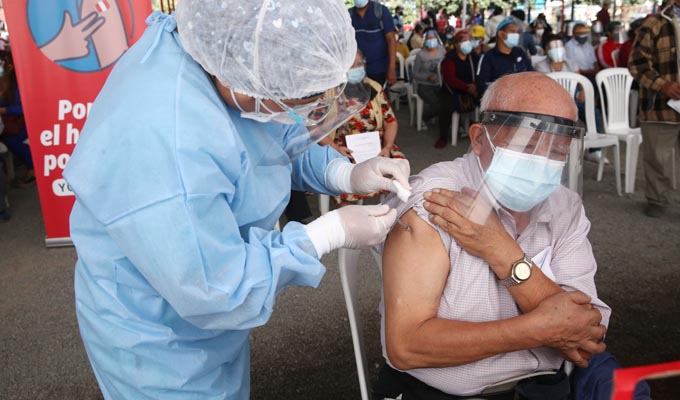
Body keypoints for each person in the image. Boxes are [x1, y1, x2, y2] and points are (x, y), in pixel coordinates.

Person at [62, 1, 412, 399]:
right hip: (157, 337)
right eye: (300, 97)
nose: (303, 112)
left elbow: (274, 132)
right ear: (247, 83)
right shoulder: (167, 139)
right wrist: (327, 233)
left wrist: (344, 173)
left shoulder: (227, 54)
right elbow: (215, 288)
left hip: (205, 313)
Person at [373, 72, 651, 400]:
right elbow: (406, 346)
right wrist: (534, 331)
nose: (542, 162)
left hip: (545, 387)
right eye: (527, 145)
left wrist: (502, 250)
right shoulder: (435, 203)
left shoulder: (565, 207)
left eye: (557, 150)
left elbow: (588, 332)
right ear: (479, 138)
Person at [324, 52, 405, 205]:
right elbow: (315, 129)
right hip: (343, 148)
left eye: (359, 64)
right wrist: (334, 147)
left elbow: (390, 121)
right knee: (344, 178)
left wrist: (387, 147)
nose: (357, 68)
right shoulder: (330, 93)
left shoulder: (374, 87)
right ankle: (347, 213)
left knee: (397, 168)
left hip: (376, 145)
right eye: (351, 65)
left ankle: (388, 209)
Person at [629, 0, 680, 218]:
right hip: (660, 106)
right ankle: (657, 199)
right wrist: (663, 85)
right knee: (657, 156)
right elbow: (637, 64)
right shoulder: (655, 24)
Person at [436, 31, 479, 149]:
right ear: (456, 44)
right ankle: (443, 137)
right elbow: (450, 79)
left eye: (469, 40)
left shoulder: (473, 57)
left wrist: (475, 86)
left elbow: (479, 73)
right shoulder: (450, 59)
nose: (468, 43)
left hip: (472, 89)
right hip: (453, 91)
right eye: (464, 40)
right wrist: (466, 87)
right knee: (445, 106)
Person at [477, 18, 533, 97]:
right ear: (501, 34)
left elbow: (531, 73)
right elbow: (482, 85)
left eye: (518, 32)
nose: (516, 35)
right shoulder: (489, 57)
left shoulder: (519, 52)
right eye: (512, 31)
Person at [350, 0, 398, 85]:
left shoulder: (381, 11)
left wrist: (392, 68)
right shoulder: (349, 15)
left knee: (378, 93)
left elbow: (391, 40)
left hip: (379, 70)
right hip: (356, 71)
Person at [0, 63, 33, 186]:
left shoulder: (18, 85)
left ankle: (32, 168)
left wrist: (5, 110)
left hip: (23, 123)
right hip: (10, 123)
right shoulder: (5, 84)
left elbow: (24, 108)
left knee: (10, 140)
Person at [413, 30, 446, 127]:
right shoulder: (420, 55)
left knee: (447, 102)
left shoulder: (442, 51)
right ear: (425, 40)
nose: (431, 40)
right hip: (424, 86)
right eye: (429, 38)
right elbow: (415, 74)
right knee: (436, 104)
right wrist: (427, 77)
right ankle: (424, 118)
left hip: (440, 84)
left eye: (433, 38)